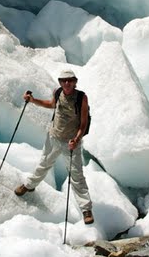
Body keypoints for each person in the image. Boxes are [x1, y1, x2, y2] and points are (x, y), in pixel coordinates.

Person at [15, 69, 94, 225]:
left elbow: (83, 124)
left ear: (75, 81)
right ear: (60, 82)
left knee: (77, 176)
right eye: (63, 80)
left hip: (71, 143)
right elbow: (51, 104)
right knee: (44, 164)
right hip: (53, 137)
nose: (67, 83)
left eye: (70, 80)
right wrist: (33, 100)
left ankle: (86, 209)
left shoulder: (81, 98)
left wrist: (76, 140)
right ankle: (29, 185)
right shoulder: (58, 93)